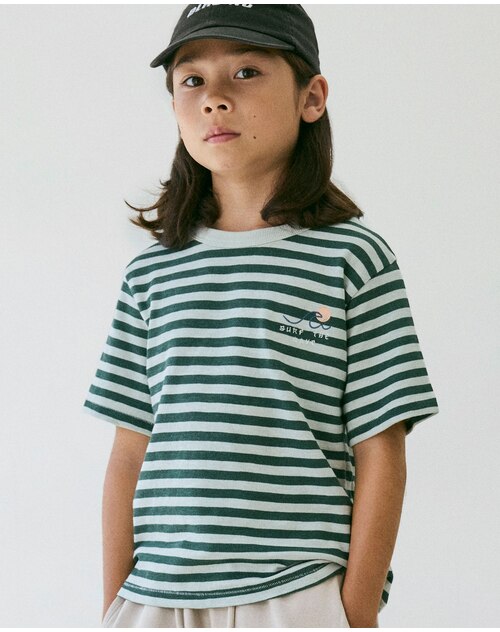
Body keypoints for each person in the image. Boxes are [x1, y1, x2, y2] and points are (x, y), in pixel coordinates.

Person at [82, 4, 440, 628]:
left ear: (312, 97)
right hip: (156, 596)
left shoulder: (353, 259)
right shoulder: (151, 273)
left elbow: (381, 447)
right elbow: (128, 452)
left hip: (297, 590)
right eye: (192, 80)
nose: (214, 99)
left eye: (246, 72)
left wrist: (354, 612)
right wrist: (115, 605)